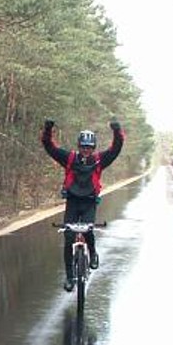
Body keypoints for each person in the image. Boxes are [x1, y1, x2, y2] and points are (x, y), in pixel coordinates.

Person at [41, 118, 124, 291]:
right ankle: (70, 278)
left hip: (89, 203)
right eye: (83, 147)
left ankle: (93, 254)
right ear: (79, 146)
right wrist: (48, 129)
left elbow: (115, 149)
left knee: (88, 231)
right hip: (72, 202)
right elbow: (50, 147)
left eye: (89, 147)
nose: (86, 150)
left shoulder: (99, 160)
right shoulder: (70, 159)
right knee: (69, 237)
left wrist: (117, 131)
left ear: (93, 148)